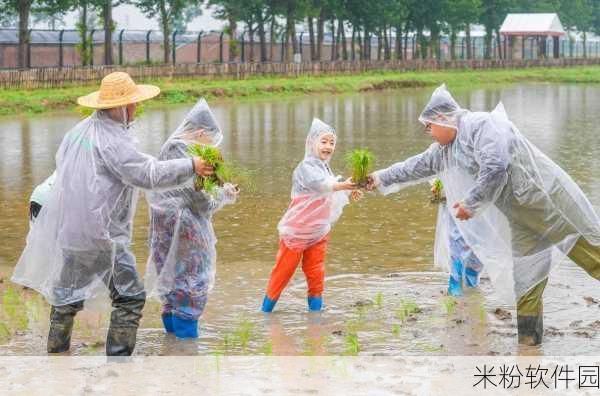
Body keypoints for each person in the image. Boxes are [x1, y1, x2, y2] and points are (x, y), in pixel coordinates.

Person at [367, 84, 600, 345]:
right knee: (527, 279)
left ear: (444, 118)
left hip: (547, 203)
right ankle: (529, 343)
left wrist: (471, 203)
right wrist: (377, 178)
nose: (428, 132)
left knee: (593, 257)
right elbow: (414, 166)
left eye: (429, 126)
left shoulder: (482, 125)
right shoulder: (446, 150)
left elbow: (495, 167)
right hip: (521, 217)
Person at [11, 72, 215, 355]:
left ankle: (56, 357)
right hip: (102, 235)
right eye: (133, 105)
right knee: (130, 297)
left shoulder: (80, 130)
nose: (135, 110)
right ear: (123, 107)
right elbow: (147, 174)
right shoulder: (113, 139)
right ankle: (118, 366)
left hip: (70, 232)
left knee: (65, 299)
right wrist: (190, 165)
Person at [146, 98, 238, 339]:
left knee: (172, 287)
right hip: (187, 231)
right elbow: (201, 201)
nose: (209, 149)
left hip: (163, 230)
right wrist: (225, 194)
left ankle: (173, 348)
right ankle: (187, 353)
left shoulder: (168, 148)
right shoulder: (184, 151)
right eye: (209, 142)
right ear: (199, 133)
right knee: (191, 287)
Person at [261, 118, 362, 313]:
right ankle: (265, 312)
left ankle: (315, 317)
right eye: (323, 141)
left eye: (332, 143)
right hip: (297, 231)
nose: (328, 146)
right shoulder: (305, 167)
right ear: (311, 143)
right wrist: (344, 186)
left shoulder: (324, 167)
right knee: (283, 272)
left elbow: (330, 186)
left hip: (318, 231)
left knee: (316, 273)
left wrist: (350, 190)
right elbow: (321, 185)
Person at [430, 178, 483, 297]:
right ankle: (458, 285)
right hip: (456, 192)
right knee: (457, 236)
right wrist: (439, 183)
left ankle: (467, 284)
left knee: (478, 238)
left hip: (480, 192)